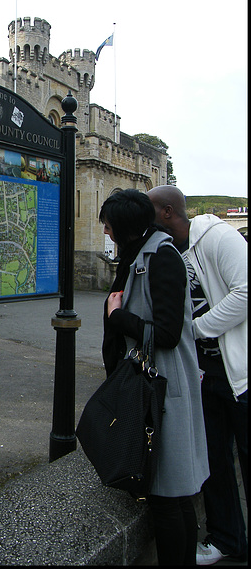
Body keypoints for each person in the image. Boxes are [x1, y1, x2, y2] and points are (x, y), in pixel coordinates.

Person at [100, 188, 209, 566]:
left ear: (127, 227)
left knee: (168, 496)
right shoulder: (137, 255)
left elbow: (166, 333)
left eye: (110, 226)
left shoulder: (162, 257)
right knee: (171, 495)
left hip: (164, 390)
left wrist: (118, 318)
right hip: (149, 389)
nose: (107, 234)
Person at [147, 185, 248, 566]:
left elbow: (245, 292)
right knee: (215, 462)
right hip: (203, 376)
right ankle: (227, 540)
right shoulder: (169, 252)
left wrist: (195, 328)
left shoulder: (218, 236)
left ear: (169, 212)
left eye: (152, 213)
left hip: (240, 371)